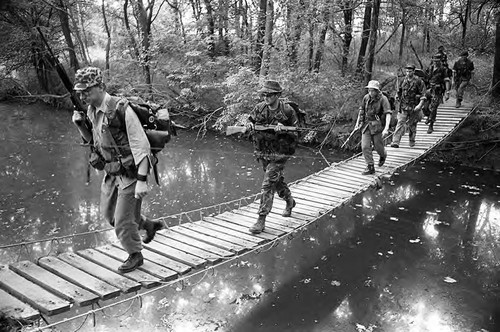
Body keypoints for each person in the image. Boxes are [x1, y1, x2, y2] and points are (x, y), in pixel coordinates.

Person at [72, 67, 163, 273]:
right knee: (110, 215)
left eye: (86, 90)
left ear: (101, 86)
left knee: (122, 221)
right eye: (80, 91)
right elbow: (93, 142)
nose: (82, 94)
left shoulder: (121, 109)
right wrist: (80, 125)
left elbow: (142, 146)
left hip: (131, 173)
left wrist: (141, 180)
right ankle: (148, 224)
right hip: (112, 172)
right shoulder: (91, 110)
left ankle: (135, 254)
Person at [245, 80, 298, 234]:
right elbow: (250, 120)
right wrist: (248, 125)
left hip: (280, 153)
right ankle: (289, 200)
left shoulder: (288, 111)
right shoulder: (259, 108)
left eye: (269, 95)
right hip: (263, 152)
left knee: (268, 184)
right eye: (264, 94)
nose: (265, 97)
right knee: (276, 181)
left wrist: (284, 130)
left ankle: (261, 219)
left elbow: (297, 133)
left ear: (277, 95)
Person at [354, 80, 392, 175]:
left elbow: (388, 114)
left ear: (377, 90)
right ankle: (370, 166)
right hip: (366, 125)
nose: (370, 92)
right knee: (365, 146)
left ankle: (383, 155)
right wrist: (357, 122)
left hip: (377, 126)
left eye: (372, 90)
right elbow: (361, 110)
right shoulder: (366, 98)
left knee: (378, 147)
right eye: (369, 90)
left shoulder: (383, 99)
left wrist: (386, 128)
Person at [391, 64, 426, 148]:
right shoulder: (403, 80)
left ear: (413, 71)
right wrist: (397, 96)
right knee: (400, 123)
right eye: (407, 71)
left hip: (414, 107)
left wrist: (419, 105)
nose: (408, 73)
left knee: (412, 125)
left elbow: (423, 95)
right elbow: (399, 91)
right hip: (403, 106)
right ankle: (395, 142)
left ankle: (412, 140)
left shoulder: (419, 81)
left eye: (410, 71)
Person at [424, 54, 451, 134]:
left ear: (440, 61)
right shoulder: (430, 68)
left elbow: (446, 80)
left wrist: (447, 92)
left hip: (437, 91)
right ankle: (429, 116)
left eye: (437, 61)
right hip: (429, 89)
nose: (435, 62)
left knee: (433, 108)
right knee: (425, 108)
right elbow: (425, 79)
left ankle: (431, 125)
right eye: (434, 60)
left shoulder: (443, 69)